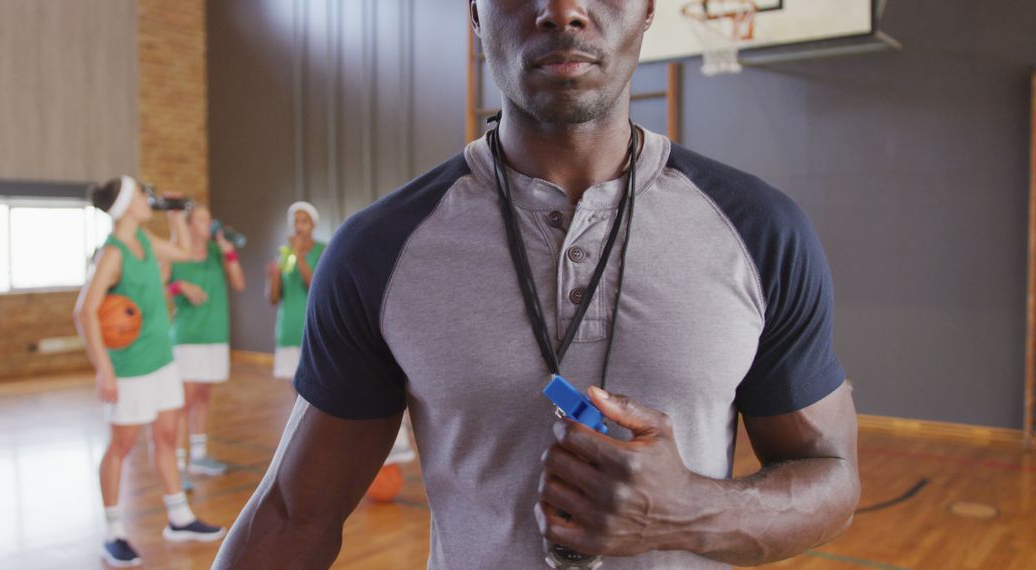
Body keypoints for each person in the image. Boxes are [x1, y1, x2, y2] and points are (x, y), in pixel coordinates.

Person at [213, 1, 859, 569]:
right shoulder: (379, 252)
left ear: (650, 6)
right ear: (472, 10)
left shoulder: (760, 233)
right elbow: (295, 516)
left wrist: (687, 509)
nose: (562, 9)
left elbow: (831, 480)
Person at [74, 176, 225, 568]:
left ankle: (179, 517)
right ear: (126, 205)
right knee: (121, 447)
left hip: (161, 362)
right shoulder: (113, 254)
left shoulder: (142, 240)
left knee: (166, 437)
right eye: (142, 194)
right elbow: (84, 311)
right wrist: (104, 369)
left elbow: (185, 253)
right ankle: (113, 533)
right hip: (129, 370)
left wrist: (175, 214)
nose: (147, 199)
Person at [163, 205, 246, 483]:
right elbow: (158, 285)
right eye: (201, 218)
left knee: (203, 396)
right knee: (183, 401)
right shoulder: (175, 253)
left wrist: (227, 251)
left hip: (215, 333)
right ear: (188, 224)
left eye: (209, 217)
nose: (209, 222)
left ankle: (199, 456)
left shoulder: (215, 252)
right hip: (187, 336)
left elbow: (239, 283)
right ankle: (178, 464)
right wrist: (180, 287)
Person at [265, 201, 325, 380]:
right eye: (295, 221)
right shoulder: (284, 254)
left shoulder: (323, 250)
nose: (298, 226)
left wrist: (298, 255)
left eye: (303, 221)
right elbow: (273, 299)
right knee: (295, 384)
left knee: (315, 382)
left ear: (313, 225)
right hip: (289, 328)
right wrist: (273, 277)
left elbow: (315, 287)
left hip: (312, 328)